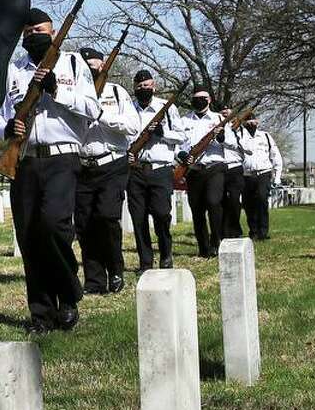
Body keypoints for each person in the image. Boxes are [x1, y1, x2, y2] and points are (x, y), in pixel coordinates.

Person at [0, 7, 100, 333]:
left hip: (62, 159)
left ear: (52, 33)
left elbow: (93, 109)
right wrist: (6, 129)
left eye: (40, 30)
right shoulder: (12, 71)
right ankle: (42, 315)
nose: (33, 35)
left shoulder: (74, 65)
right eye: (28, 32)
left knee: (53, 226)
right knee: (29, 239)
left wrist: (56, 90)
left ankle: (67, 293)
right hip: (23, 161)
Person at [75, 47, 142, 294]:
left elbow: (133, 126)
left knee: (106, 217)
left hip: (112, 163)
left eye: (92, 64)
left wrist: (100, 114)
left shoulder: (116, 92)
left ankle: (115, 269)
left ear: (102, 66)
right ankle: (94, 279)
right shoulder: (72, 94)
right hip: (82, 166)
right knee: (84, 224)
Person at [126, 70, 185, 272]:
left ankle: (166, 253)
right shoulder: (128, 108)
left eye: (147, 86)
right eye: (140, 87)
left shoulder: (167, 108)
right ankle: (145, 261)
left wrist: (164, 134)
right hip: (135, 170)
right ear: (134, 88)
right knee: (138, 217)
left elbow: (182, 136)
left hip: (161, 169)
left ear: (154, 86)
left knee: (161, 214)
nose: (144, 89)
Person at [177, 90, 229, 258]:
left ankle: (216, 241)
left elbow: (234, 143)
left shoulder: (219, 119)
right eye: (196, 99)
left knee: (214, 202)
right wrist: (181, 154)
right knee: (197, 210)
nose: (199, 101)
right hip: (193, 169)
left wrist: (222, 137)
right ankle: (203, 247)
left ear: (209, 100)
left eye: (202, 99)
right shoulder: (184, 120)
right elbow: (178, 143)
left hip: (214, 167)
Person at [240, 119, 283, 240]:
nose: (251, 124)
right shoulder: (240, 136)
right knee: (248, 204)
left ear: (257, 122)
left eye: (253, 121)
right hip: (246, 175)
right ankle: (253, 231)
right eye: (248, 122)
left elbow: (275, 155)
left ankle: (263, 232)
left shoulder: (265, 136)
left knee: (262, 200)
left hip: (263, 173)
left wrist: (277, 176)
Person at [220, 116, 252, 239]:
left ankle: (234, 229)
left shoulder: (240, 131)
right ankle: (223, 231)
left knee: (234, 200)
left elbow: (249, 149)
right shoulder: (214, 127)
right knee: (221, 201)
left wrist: (234, 134)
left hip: (235, 168)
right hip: (219, 168)